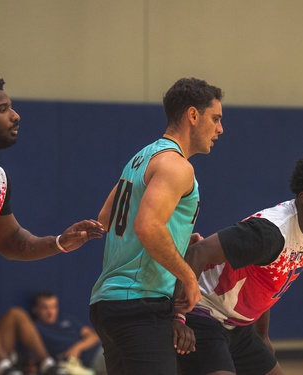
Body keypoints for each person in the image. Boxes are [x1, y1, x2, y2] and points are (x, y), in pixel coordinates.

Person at [173, 149, 303, 375]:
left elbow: (267, 282)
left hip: (239, 327)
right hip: (204, 317)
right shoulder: (269, 233)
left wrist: (262, 335)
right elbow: (197, 252)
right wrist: (177, 317)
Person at [89, 77, 224, 374]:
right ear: (192, 115)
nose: (219, 129)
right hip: (140, 303)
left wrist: (175, 239)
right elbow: (148, 227)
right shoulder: (177, 166)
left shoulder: (141, 157)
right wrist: (188, 277)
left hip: (108, 303)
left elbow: (104, 220)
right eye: (215, 119)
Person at [0, 78, 104, 375]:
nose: (15, 115)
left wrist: (58, 242)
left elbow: (12, 242)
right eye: (2, 109)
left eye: (11, 107)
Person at [32, 291, 100, 375]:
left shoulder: (67, 319)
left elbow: (94, 336)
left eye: (53, 307)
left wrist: (77, 348)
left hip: (98, 351)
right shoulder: (35, 329)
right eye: (45, 308)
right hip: (74, 365)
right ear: (35, 309)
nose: (50, 312)